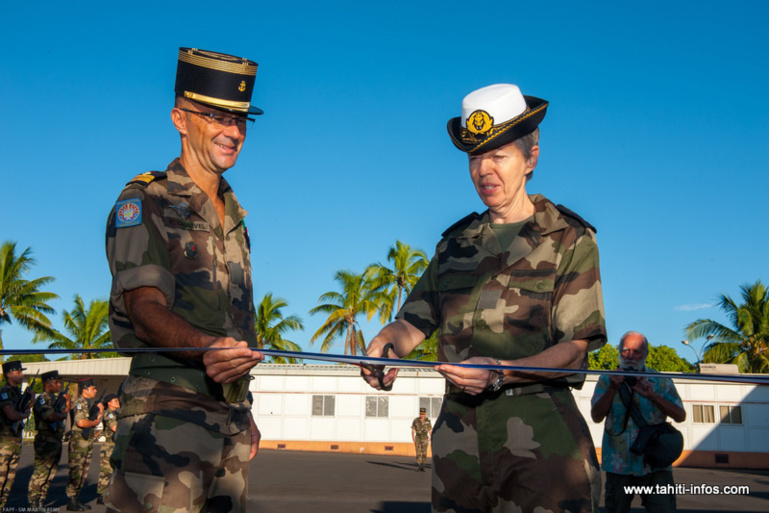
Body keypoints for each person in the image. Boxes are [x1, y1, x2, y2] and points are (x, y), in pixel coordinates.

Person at [361, 83, 607, 513]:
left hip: (543, 447)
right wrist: (383, 347)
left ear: (531, 158)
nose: (484, 170)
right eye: (475, 157)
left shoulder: (570, 238)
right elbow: (413, 323)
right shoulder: (455, 246)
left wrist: (501, 371)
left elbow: (575, 347)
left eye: (499, 155)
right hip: (459, 446)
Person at [104, 47, 264, 512]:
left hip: (229, 421)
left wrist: (244, 406)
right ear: (180, 118)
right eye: (215, 116)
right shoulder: (146, 199)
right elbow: (145, 309)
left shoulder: (236, 217)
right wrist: (205, 349)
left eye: (240, 120)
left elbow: (234, 328)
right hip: (166, 416)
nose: (232, 131)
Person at [590, 331, 686, 513]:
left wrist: (653, 396)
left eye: (637, 351)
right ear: (618, 351)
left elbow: (680, 416)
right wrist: (612, 388)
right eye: (625, 351)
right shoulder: (606, 379)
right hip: (618, 462)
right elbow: (596, 416)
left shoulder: (661, 381)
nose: (630, 356)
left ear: (646, 354)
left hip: (654, 463)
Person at [28, 370, 71, 510]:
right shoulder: (43, 399)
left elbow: (62, 412)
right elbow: (50, 417)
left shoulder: (54, 399)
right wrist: (62, 415)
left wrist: (67, 403)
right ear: (48, 383)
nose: (59, 385)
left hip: (55, 440)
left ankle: (41, 501)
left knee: (50, 473)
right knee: (41, 473)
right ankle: (33, 502)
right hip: (45, 440)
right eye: (57, 382)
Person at [66, 378, 104, 511]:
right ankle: (71, 500)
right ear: (85, 389)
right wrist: (94, 422)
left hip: (86, 440)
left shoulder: (87, 404)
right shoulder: (79, 403)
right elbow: (81, 423)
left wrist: (99, 414)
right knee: (76, 471)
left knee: (83, 471)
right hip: (79, 442)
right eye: (93, 388)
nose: (95, 390)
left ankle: (76, 499)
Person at [0, 360, 33, 508]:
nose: (21, 374)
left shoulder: (17, 393)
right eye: (18, 372)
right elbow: (11, 415)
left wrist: (31, 398)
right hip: (4, 442)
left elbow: (25, 407)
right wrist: (24, 415)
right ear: (9, 374)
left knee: (9, 481)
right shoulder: (4, 392)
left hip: (15, 441)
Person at [96, 394, 120, 504]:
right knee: (106, 471)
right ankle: (101, 494)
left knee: (114, 471)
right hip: (109, 447)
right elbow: (115, 428)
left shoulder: (116, 413)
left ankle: (110, 493)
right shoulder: (109, 414)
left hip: (115, 445)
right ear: (109, 403)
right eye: (115, 400)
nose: (118, 402)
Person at [411, 407, 432, 471]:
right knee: (418, 452)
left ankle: (423, 465)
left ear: (425, 414)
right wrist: (413, 438)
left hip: (425, 438)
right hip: (418, 438)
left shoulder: (427, 421)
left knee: (424, 452)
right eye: (421, 414)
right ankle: (419, 465)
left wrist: (430, 437)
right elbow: (413, 430)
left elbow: (430, 430)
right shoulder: (416, 420)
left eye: (423, 414)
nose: (422, 415)